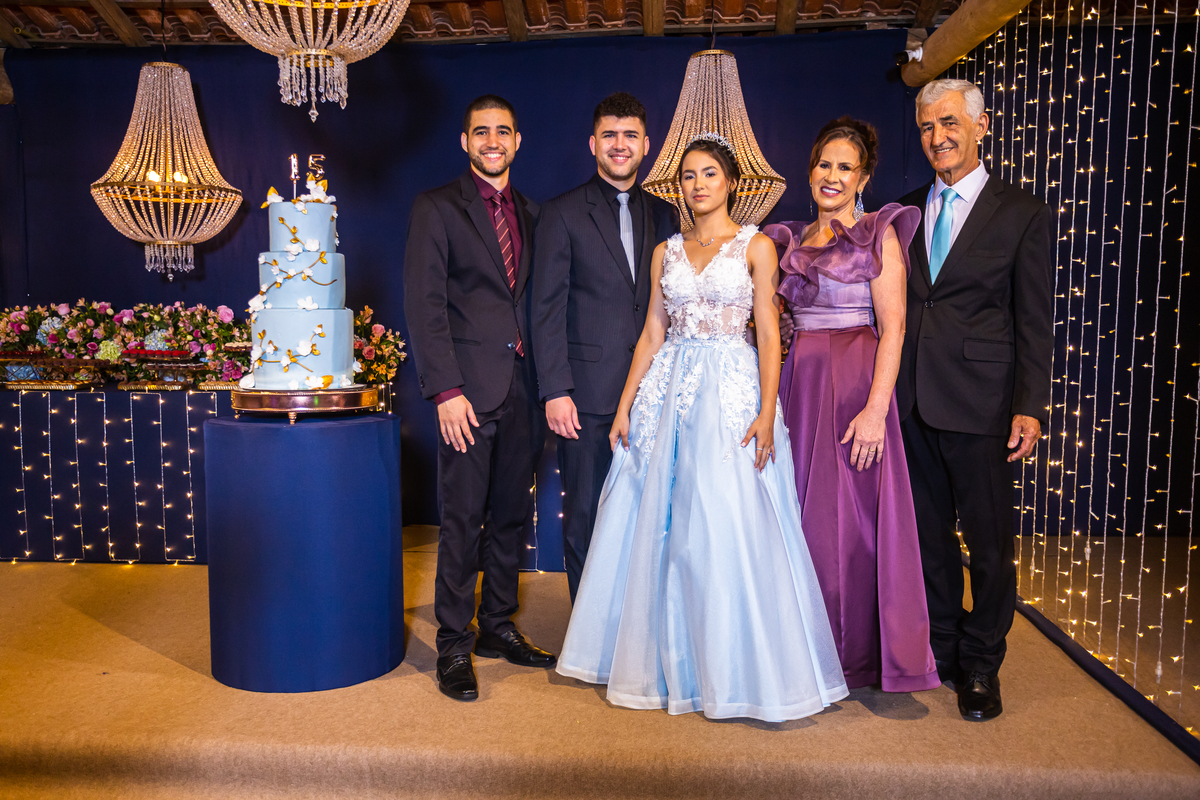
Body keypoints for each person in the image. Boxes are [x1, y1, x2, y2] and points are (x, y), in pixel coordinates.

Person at [555, 134, 848, 722]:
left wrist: (766, 411)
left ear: (731, 182)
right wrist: (624, 403)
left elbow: (767, 331)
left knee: (721, 519)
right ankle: (668, 662)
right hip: (670, 389)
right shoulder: (667, 251)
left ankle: (735, 668)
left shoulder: (757, 246)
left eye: (709, 173)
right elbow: (652, 333)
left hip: (731, 388)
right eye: (688, 176)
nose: (697, 185)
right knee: (662, 523)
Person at [764, 118, 939, 694]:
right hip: (799, 384)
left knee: (852, 525)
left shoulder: (877, 234)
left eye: (845, 167)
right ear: (810, 171)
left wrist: (874, 410)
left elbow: (894, 329)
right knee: (797, 514)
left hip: (854, 389)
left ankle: (852, 654)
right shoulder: (789, 240)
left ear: (863, 177)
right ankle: (801, 646)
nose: (831, 176)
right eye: (824, 165)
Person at [896, 79, 1053, 720]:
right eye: (929, 126)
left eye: (951, 123)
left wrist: (1031, 405)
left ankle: (984, 665)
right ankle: (945, 646)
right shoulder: (903, 211)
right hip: (912, 402)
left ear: (981, 127)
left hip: (984, 405)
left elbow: (1033, 320)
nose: (939, 136)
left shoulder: (1021, 213)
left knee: (988, 546)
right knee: (928, 540)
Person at [402, 95, 557, 703]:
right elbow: (425, 304)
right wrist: (444, 389)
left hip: (525, 387)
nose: (493, 140)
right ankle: (452, 645)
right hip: (465, 393)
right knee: (463, 519)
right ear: (464, 142)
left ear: (518, 141)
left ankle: (496, 626)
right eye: (481, 131)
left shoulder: (535, 213)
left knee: (511, 515)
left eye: (503, 131)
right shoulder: (437, 207)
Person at [531, 92, 679, 602]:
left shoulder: (666, 215)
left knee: (650, 512)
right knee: (588, 515)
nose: (621, 145)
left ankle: (638, 632)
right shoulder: (561, 213)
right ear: (593, 143)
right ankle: (589, 635)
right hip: (587, 394)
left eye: (631, 136)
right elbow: (545, 308)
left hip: (655, 389)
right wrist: (555, 389)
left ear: (646, 146)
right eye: (611, 135)